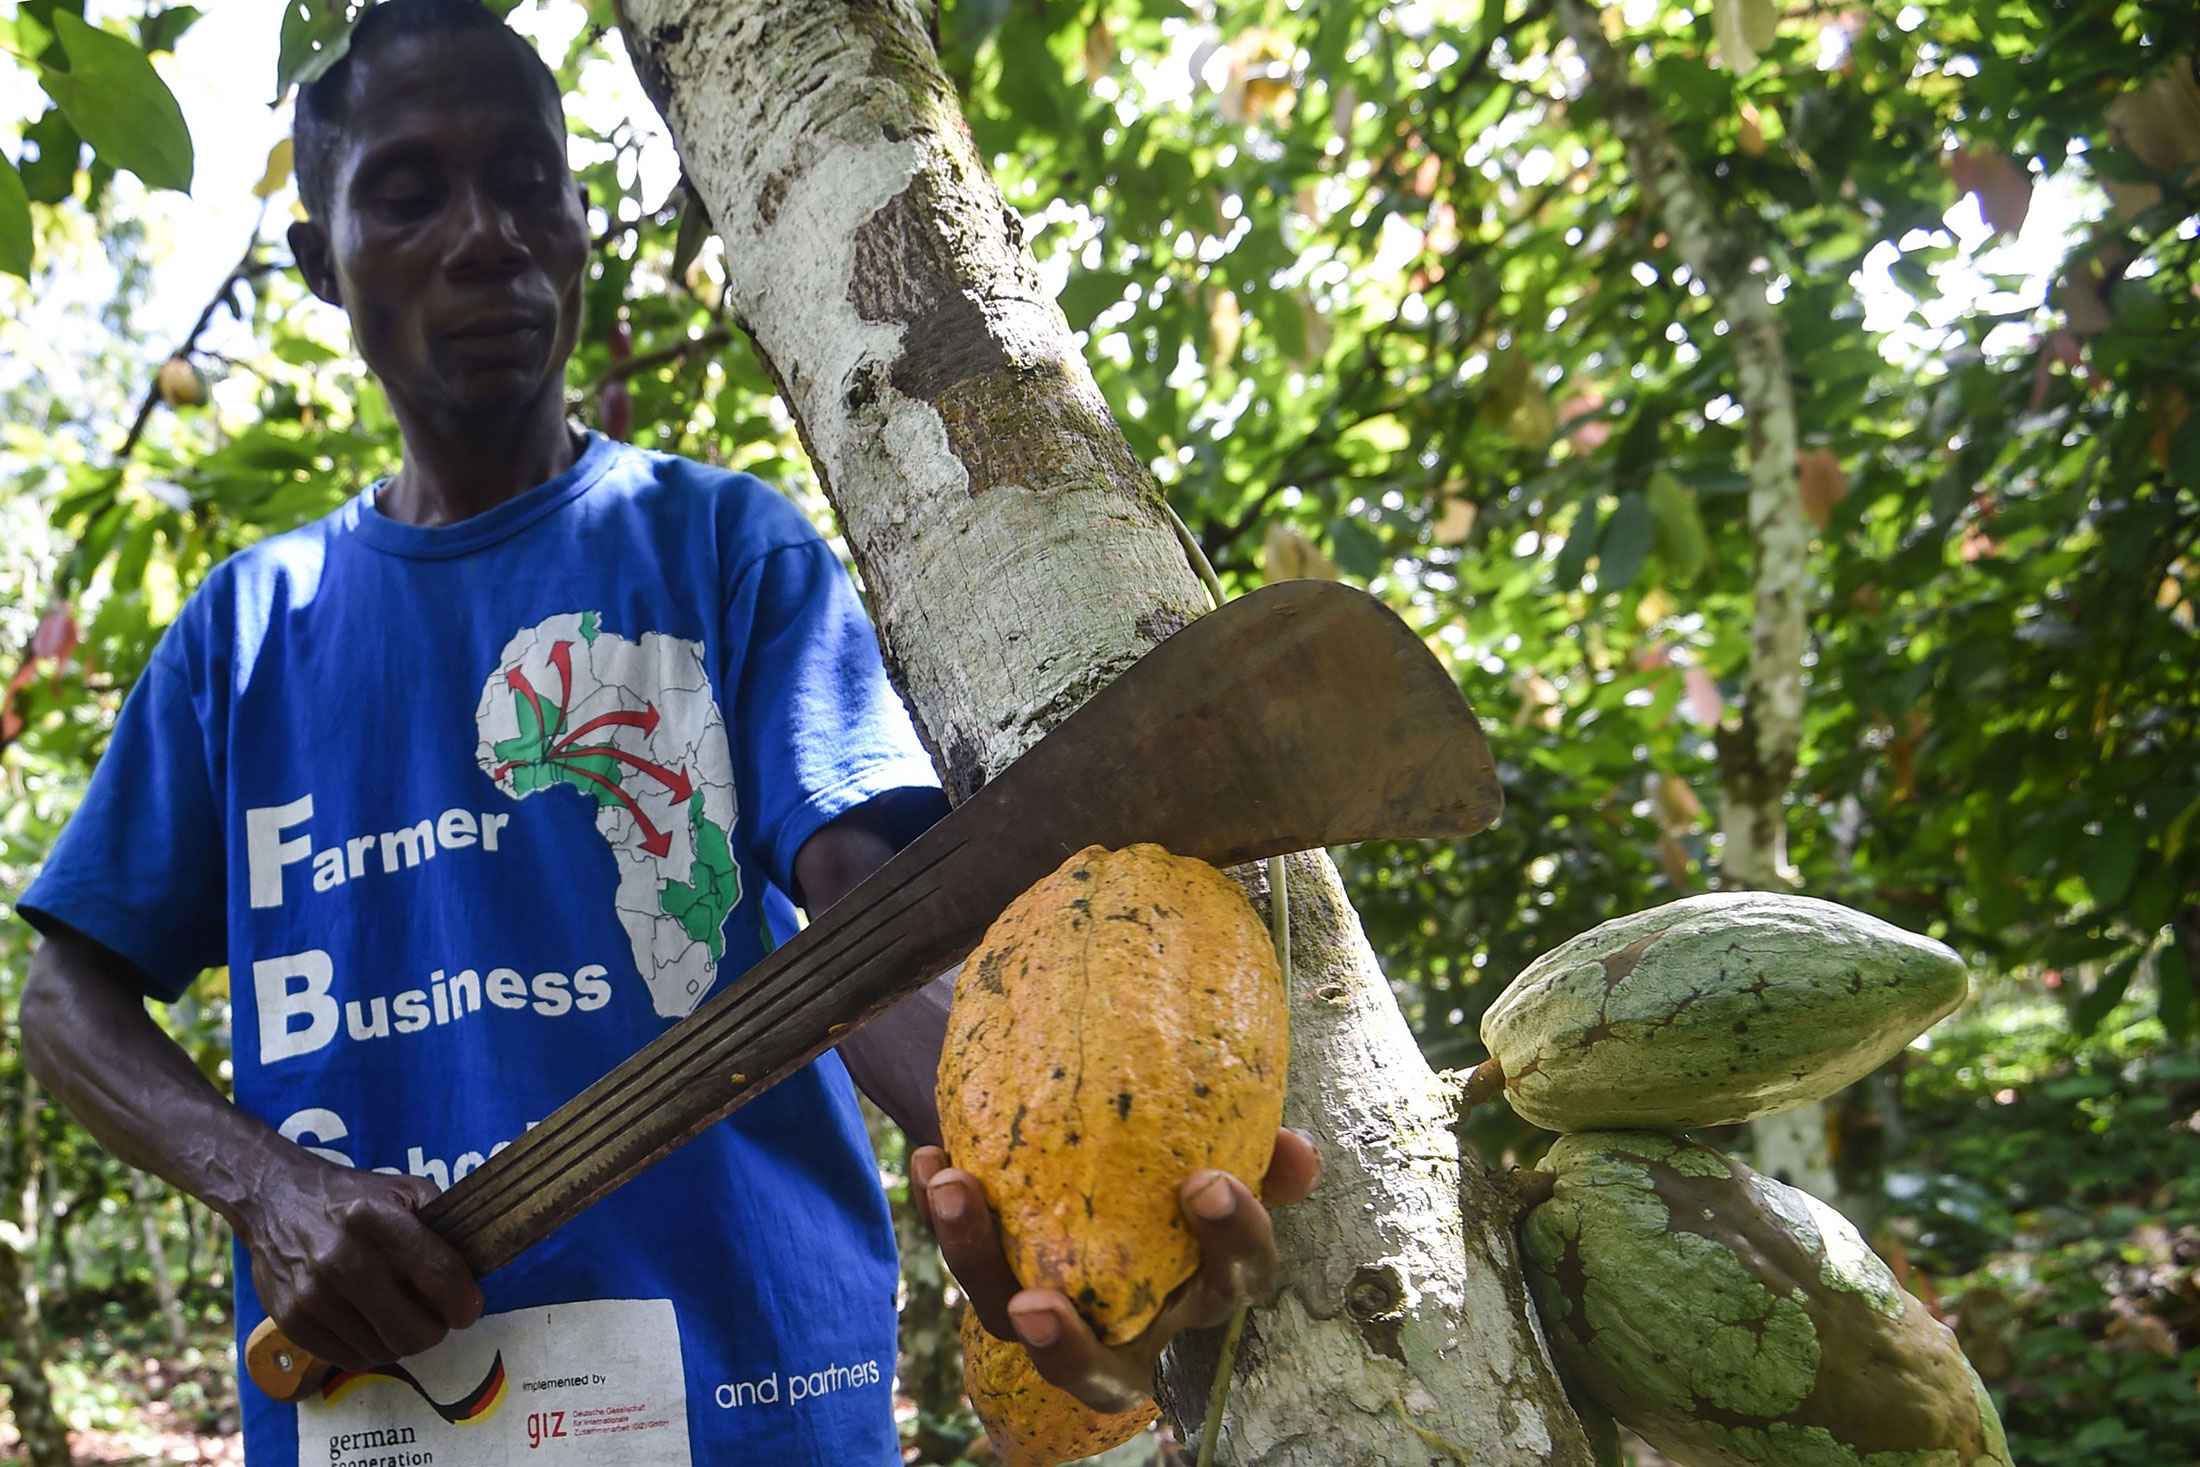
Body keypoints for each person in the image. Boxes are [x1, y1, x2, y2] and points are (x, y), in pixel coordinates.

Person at [15, 2, 1316, 1463]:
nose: (484, 232)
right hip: (383, 1414)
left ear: (580, 224)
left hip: (749, 1405)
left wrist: (1045, 1185)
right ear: (321, 259)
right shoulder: (248, 631)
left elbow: (866, 922)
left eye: (525, 180)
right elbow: (67, 997)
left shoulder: (718, 547)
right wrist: (261, 1182)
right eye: (407, 189)